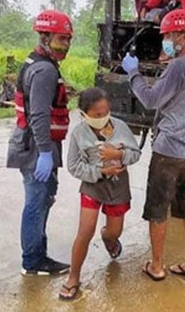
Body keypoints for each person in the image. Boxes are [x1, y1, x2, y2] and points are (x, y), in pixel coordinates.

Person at [120, 9, 185, 282]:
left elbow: (151, 100)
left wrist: (134, 74)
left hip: (169, 153)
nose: (164, 40)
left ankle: (157, 265)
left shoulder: (178, 67)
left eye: (167, 35)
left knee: (157, 209)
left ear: (184, 36)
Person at [6, 9, 73, 276]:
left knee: (42, 199)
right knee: (36, 202)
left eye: (68, 39)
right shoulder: (44, 70)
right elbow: (39, 114)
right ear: (44, 37)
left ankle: (36, 255)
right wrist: (45, 151)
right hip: (36, 147)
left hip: (36, 144)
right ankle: (33, 260)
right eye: (60, 39)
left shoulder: (37, 62)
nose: (65, 45)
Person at [59, 87, 141, 301]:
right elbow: (73, 165)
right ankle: (73, 277)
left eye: (106, 112)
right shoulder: (79, 133)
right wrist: (100, 171)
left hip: (118, 186)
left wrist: (119, 154)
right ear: (84, 114)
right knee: (85, 232)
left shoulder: (121, 127)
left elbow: (136, 154)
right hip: (92, 186)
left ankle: (108, 238)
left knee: (115, 232)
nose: (102, 118)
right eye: (97, 114)